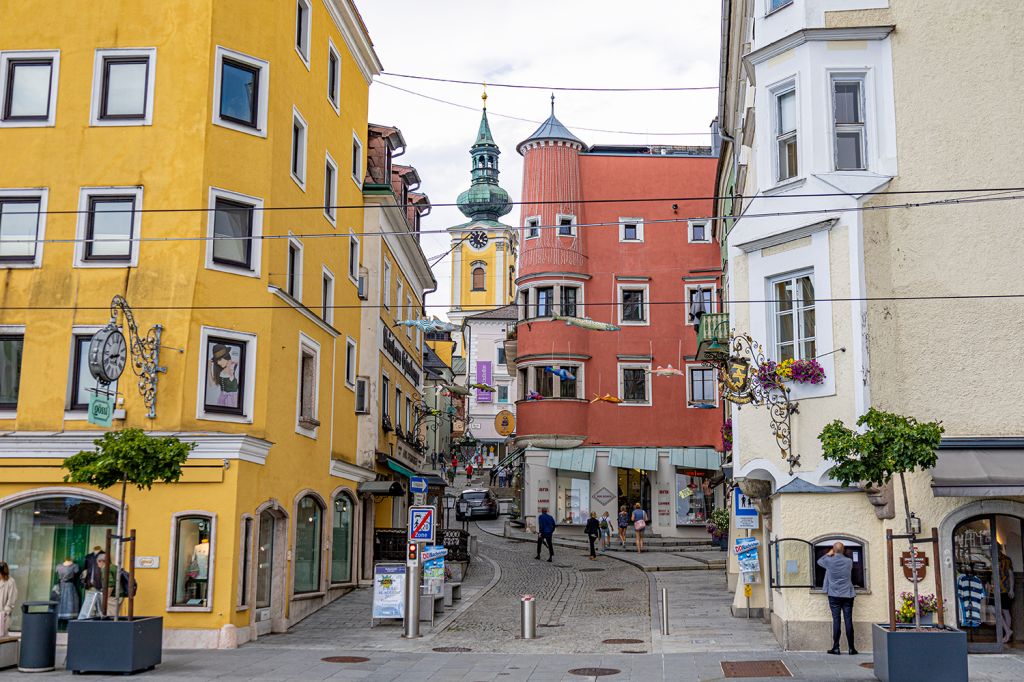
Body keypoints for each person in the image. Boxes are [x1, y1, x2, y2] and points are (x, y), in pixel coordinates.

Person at [817, 541, 857, 655]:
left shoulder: (828, 561)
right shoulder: (849, 561)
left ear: (833, 550)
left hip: (834, 595)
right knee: (848, 620)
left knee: (836, 620)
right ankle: (851, 648)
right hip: (847, 595)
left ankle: (836, 647)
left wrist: (829, 554)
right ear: (843, 550)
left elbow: (819, 561)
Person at [998, 543, 1015, 643]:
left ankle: (1007, 635)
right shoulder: (991, 559)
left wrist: (1011, 589)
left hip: (1005, 589)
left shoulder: (1006, 559)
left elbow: (1011, 574)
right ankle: (1008, 631)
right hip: (995, 589)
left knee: (1005, 611)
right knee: (994, 610)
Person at [0, 560, 17, 638]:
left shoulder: (10, 582)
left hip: (3, 616)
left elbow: (11, 599)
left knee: (3, 638)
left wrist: (5, 613)